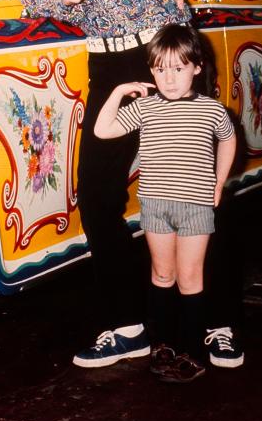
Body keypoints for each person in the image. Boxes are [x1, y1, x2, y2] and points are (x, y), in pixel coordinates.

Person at [0, 0, 203, 367]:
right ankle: (130, 324)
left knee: (186, 192)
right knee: (99, 194)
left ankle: (212, 322)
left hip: (163, 53)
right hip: (106, 63)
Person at [93, 24, 237, 382]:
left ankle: (192, 349)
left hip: (195, 208)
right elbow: (102, 130)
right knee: (162, 274)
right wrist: (118, 91)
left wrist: (219, 181)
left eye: (178, 68)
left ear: (197, 67)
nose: (169, 79)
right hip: (155, 206)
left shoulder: (211, 110)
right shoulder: (145, 107)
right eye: (160, 69)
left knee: (190, 278)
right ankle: (165, 344)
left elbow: (229, 139)